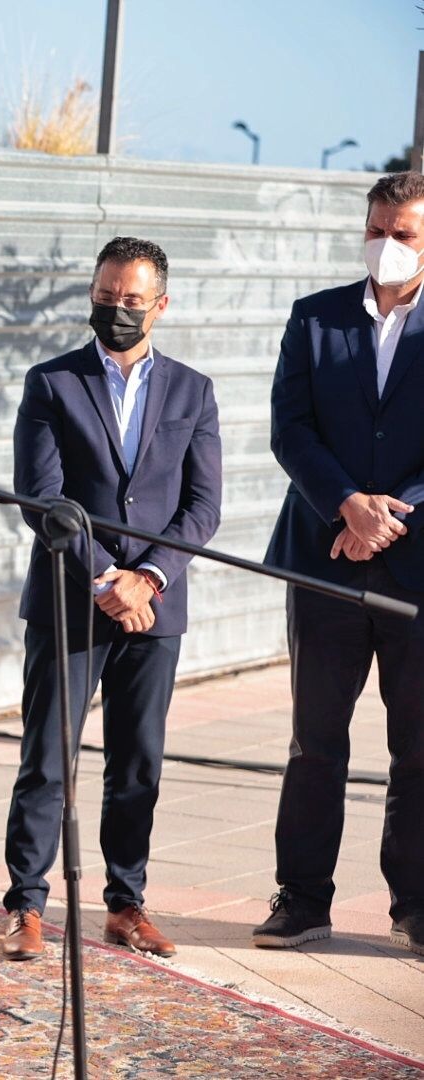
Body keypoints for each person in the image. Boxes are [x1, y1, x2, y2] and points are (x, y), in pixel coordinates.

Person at [0, 236, 222, 963]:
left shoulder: (194, 390)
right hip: (73, 598)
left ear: (161, 304)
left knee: (138, 763)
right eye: (105, 295)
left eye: (131, 300)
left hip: (155, 609)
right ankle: (27, 905)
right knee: (47, 757)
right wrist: (105, 579)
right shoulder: (51, 382)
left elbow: (201, 507)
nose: (116, 309)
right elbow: (43, 497)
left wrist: (148, 579)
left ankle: (126, 903)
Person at [256, 171, 424, 957]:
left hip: (414, 566)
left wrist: (389, 514)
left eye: (405, 233)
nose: (387, 244)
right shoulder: (315, 317)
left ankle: (416, 903)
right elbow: (290, 427)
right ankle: (302, 899)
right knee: (315, 740)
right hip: (325, 556)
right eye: (379, 228)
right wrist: (347, 503)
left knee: (418, 744)